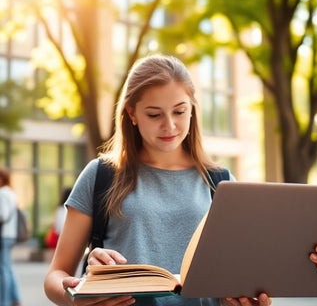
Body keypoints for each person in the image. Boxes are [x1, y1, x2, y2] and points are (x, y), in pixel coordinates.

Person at [44, 54, 272, 306]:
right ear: (132, 113)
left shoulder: (222, 182)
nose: (169, 125)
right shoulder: (101, 175)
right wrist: (73, 295)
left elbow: (236, 272)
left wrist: (245, 298)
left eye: (180, 111)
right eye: (154, 115)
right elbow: (56, 275)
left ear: (192, 109)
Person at [0, 167, 22, 306]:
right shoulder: (11, 193)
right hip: (11, 234)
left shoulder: (2, 193)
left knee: (3, 269)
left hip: (3, 235)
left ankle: (4, 301)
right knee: (7, 267)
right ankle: (15, 299)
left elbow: (2, 215)